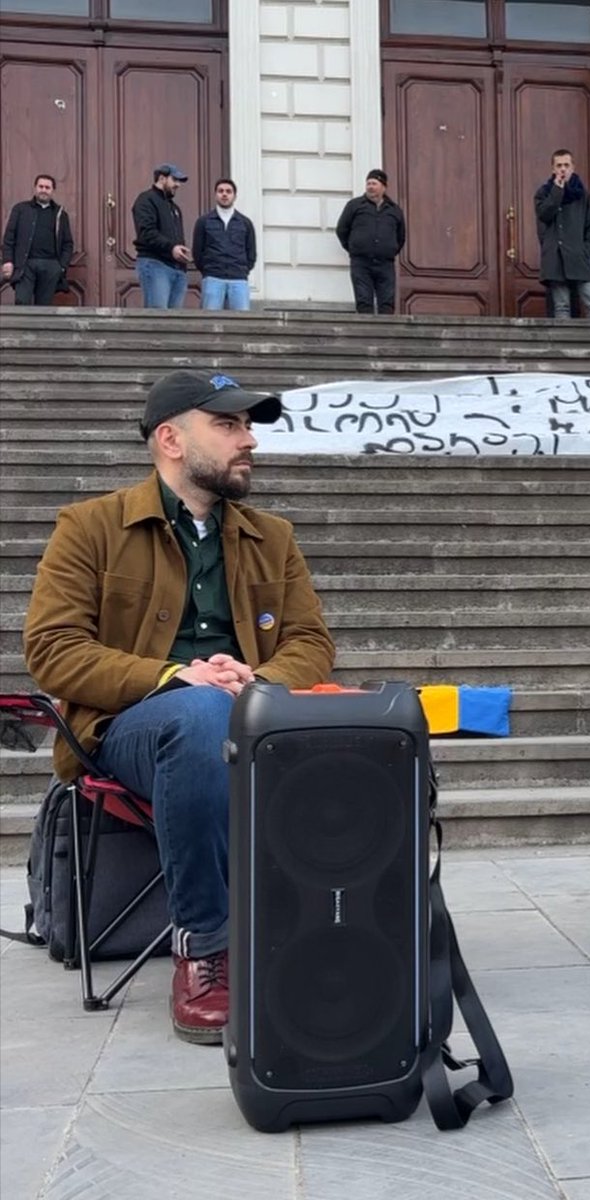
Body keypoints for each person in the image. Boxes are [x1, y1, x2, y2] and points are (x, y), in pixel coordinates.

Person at [23, 370, 335, 1043]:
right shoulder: (90, 527)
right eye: (227, 425)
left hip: (255, 716)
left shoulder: (272, 536)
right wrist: (175, 677)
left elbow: (311, 642)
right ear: (170, 439)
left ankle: (346, 923)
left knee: (378, 728)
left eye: (247, 426)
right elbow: (53, 649)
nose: (248, 440)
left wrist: (257, 678)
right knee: (199, 718)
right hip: (131, 729)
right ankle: (205, 947)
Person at [534, 149, 590, 320]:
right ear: (553, 169)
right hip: (556, 258)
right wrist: (557, 191)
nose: (563, 169)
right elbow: (544, 215)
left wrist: (586, 249)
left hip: (579, 257)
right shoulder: (544, 193)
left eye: (566, 165)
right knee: (562, 306)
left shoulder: (583, 194)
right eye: (559, 166)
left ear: (573, 167)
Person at [335, 169, 406, 315]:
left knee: (387, 303)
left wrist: (388, 250)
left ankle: (387, 329)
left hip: (385, 264)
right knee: (364, 301)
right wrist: (355, 248)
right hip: (361, 262)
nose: (370, 187)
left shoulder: (395, 210)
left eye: (374, 183)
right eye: (368, 183)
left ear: (384, 187)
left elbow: (401, 237)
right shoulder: (354, 206)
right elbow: (342, 230)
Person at [1, 174, 74, 305]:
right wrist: (7, 260)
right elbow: (9, 238)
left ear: (53, 191)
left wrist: (61, 267)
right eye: (41, 186)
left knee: (44, 306)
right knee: (21, 301)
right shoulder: (20, 209)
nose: (43, 190)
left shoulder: (60, 214)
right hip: (25, 264)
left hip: (51, 266)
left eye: (47, 187)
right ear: (35, 188)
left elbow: (67, 243)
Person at [132, 164, 192, 309]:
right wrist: (171, 248)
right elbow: (147, 233)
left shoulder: (174, 208)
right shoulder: (146, 200)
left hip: (178, 270)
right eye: (174, 180)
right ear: (162, 178)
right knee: (157, 317)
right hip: (155, 265)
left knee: (175, 320)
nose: (178, 185)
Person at [191, 178, 257, 311]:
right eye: (220, 191)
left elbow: (251, 253)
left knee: (241, 321)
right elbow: (197, 252)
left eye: (228, 191)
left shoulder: (245, 223)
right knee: (210, 321)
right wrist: (208, 270)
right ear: (215, 195)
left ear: (235, 196)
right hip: (212, 278)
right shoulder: (203, 222)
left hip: (239, 279)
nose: (224, 194)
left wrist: (242, 270)